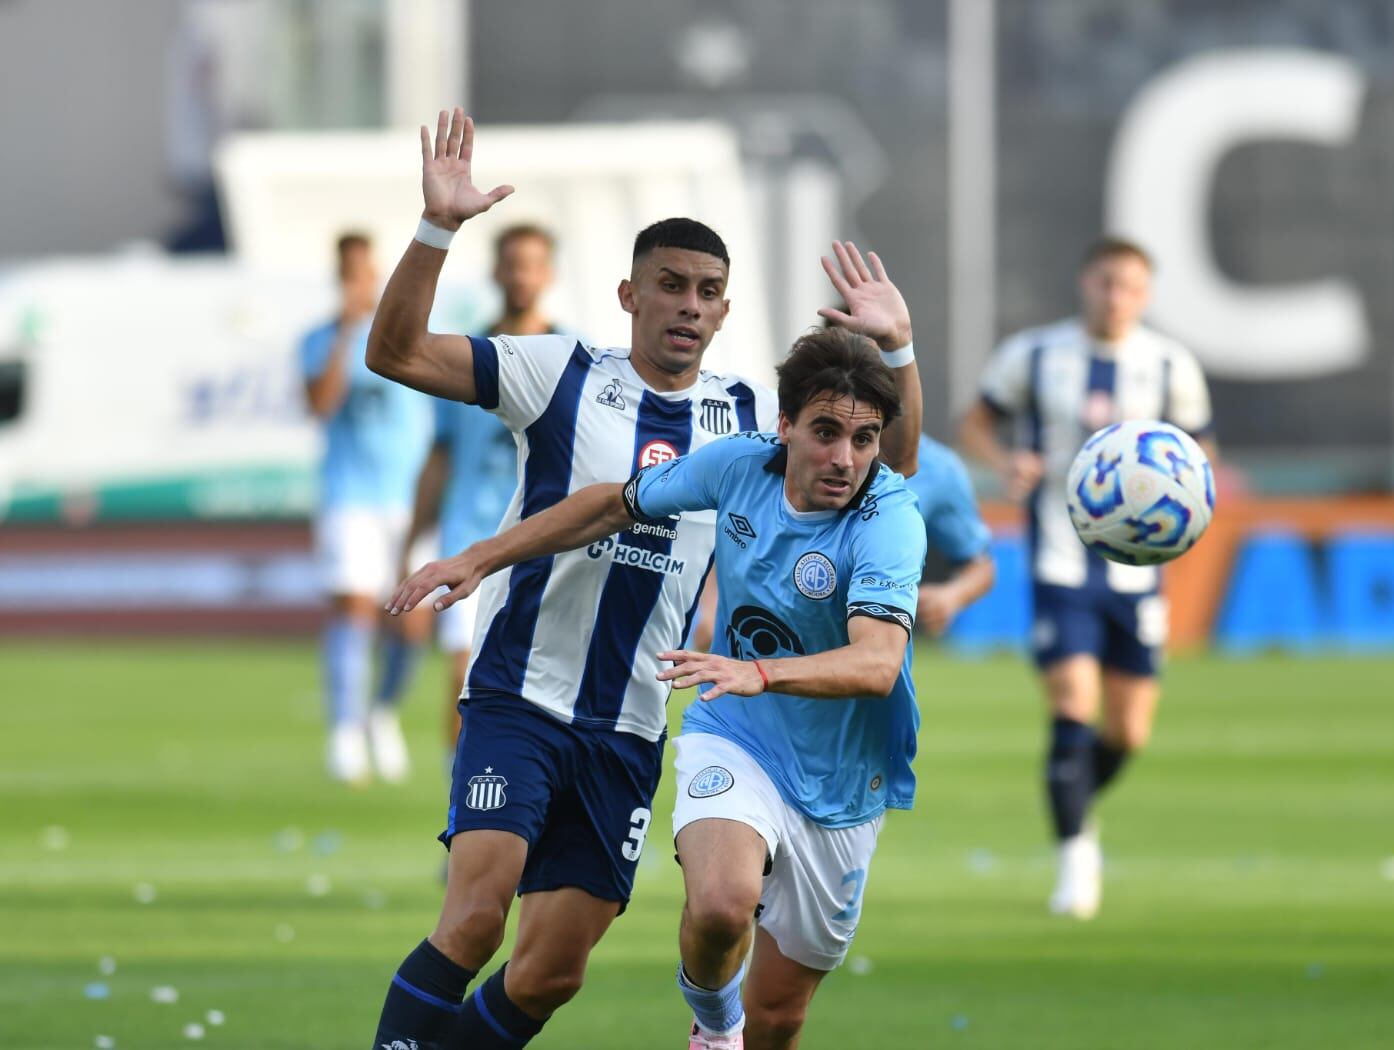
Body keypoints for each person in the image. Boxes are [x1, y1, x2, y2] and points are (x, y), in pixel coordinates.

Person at [366, 108, 921, 1050]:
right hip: (520, 691)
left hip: (628, 722)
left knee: (551, 972)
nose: (689, 305)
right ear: (630, 294)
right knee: (472, 920)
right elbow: (397, 353)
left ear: (726, 309)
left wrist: (897, 353)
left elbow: (885, 477)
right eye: (670, 285)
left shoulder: (750, 423)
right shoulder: (560, 370)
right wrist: (437, 230)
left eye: (708, 290)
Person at [959, 235, 1216, 919]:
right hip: (1060, 563)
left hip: (1137, 575)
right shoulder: (1037, 355)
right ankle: (1076, 862)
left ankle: (1076, 804)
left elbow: (1200, 450)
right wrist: (1005, 463)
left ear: (1147, 294)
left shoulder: (1169, 364)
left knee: (1129, 733)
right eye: (1106, 282)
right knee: (1073, 705)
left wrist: (1181, 499)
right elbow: (977, 421)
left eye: (1130, 286)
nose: (1116, 297)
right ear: (1085, 282)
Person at [402, 224, 564, 761]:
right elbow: (441, 454)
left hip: (546, 544)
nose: (521, 274)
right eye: (512, 262)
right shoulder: (465, 357)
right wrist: (412, 538)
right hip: (469, 534)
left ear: (549, 274)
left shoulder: (576, 359)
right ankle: (460, 811)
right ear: (496, 270)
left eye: (532, 263)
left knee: (541, 689)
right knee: (464, 677)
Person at [299, 232, 435, 786]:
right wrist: (347, 332)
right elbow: (320, 403)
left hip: (410, 498)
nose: (360, 282)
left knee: (412, 626)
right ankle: (345, 730)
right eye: (350, 272)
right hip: (349, 495)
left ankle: (382, 710)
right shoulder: (320, 338)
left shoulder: (408, 334)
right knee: (353, 608)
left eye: (367, 272)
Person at [904, 434, 995, 638]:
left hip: (878, 648)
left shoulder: (938, 467)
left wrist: (950, 596)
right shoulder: (826, 450)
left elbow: (981, 565)